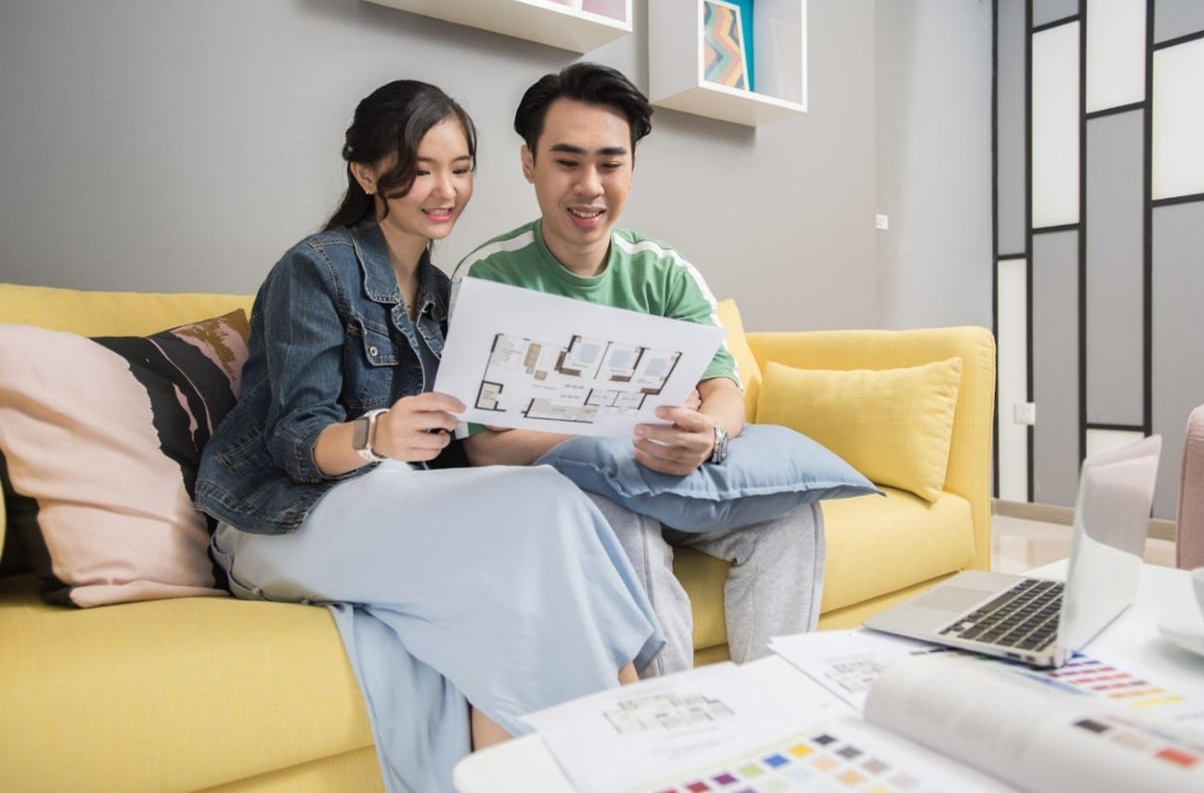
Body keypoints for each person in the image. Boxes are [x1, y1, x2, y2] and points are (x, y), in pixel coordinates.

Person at [193, 80, 663, 793]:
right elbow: (295, 442)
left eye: (461, 168)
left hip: (389, 513)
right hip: (282, 520)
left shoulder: (449, 299)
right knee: (534, 512)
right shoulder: (315, 269)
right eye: (419, 168)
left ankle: (620, 745)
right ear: (366, 173)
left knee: (542, 516)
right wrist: (378, 434)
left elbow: (460, 456)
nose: (443, 189)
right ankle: (629, 747)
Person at [452, 62, 825, 676]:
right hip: (577, 492)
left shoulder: (665, 270)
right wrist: (613, 441)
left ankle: (774, 712)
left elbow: (723, 388)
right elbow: (485, 450)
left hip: (669, 479)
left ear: (632, 166)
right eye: (567, 162)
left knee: (789, 517)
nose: (590, 186)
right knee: (621, 523)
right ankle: (672, 731)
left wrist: (711, 436)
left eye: (610, 163)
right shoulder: (488, 276)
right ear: (529, 164)